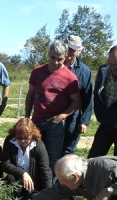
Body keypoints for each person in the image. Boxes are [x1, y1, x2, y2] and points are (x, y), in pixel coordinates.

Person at [25, 39, 81, 172]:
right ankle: (32, 183)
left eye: (60, 59)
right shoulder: (37, 72)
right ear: (48, 54)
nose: (55, 62)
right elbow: (30, 95)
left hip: (55, 124)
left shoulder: (70, 77)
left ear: (66, 56)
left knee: (52, 156)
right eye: (52, 57)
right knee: (33, 153)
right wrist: (27, 117)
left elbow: (77, 101)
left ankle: (49, 187)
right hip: (36, 120)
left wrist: (62, 116)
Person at [1, 118, 57, 200]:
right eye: (19, 137)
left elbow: (45, 171)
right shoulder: (10, 141)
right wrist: (23, 173)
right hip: (16, 182)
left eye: (26, 137)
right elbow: (5, 163)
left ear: (32, 135)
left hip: (34, 184)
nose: (22, 140)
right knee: (10, 179)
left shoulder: (39, 145)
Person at [62, 35, 93, 156]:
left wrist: (84, 121)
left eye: (73, 49)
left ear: (79, 51)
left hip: (73, 117)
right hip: (54, 115)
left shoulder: (84, 71)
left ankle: (64, 174)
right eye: (67, 47)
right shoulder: (55, 65)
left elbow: (88, 97)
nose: (70, 51)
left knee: (68, 150)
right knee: (51, 148)